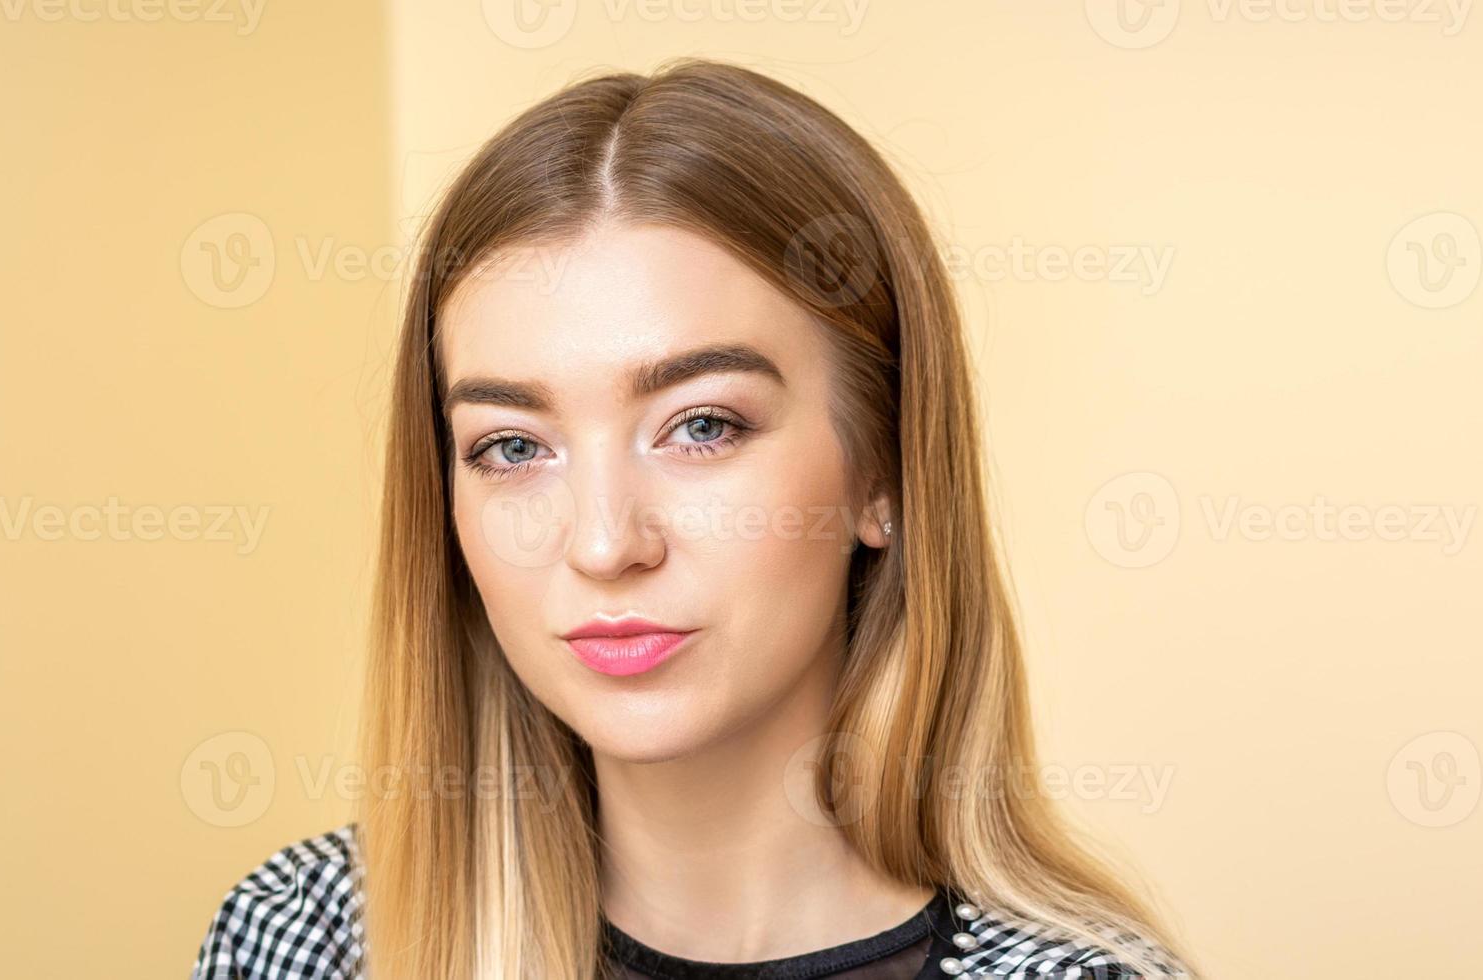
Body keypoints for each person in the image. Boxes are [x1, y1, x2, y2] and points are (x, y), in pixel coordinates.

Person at [190, 61, 1193, 980]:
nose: (602, 543)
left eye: (701, 426)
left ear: (881, 467)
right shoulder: (310, 940)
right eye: (511, 446)